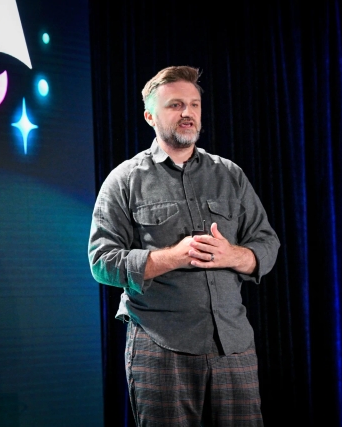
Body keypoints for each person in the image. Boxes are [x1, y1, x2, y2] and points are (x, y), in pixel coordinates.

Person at [88, 65, 280, 427]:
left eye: (194, 104)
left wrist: (235, 255)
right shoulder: (125, 180)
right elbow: (101, 260)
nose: (188, 113)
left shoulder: (229, 174)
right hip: (161, 346)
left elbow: (267, 243)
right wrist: (172, 257)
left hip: (233, 345)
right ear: (150, 116)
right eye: (175, 105)